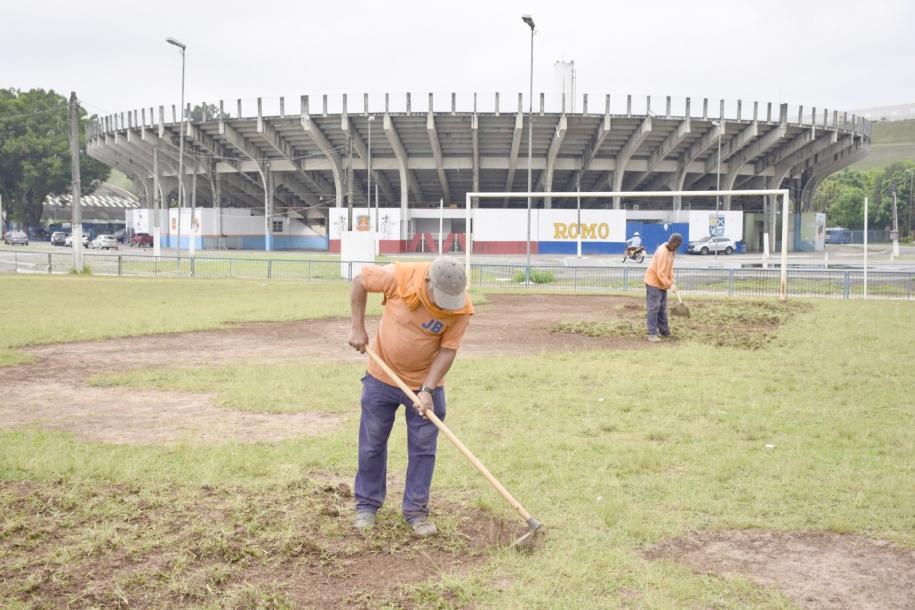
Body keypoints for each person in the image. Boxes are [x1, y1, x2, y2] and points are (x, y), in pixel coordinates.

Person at [347, 257, 474, 537]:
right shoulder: (398, 276)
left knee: (423, 448)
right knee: (372, 445)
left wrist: (427, 390)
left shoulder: (460, 307)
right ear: (427, 281)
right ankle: (366, 505)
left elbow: (448, 350)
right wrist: (358, 327)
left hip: (426, 385)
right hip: (382, 376)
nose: (445, 307)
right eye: (440, 298)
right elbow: (359, 282)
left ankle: (416, 511)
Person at [643, 233, 682, 343]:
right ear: (670, 243)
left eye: (678, 247)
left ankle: (664, 332)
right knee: (654, 307)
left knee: (662, 308)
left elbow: (670, 267)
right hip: (653, 282)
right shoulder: (662, 252)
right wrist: (670, 285)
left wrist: (672, 278)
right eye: (675, 246)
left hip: (662, 283)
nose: (676, 249)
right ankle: (652, 333)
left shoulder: (672, 251)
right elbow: (660, 273)